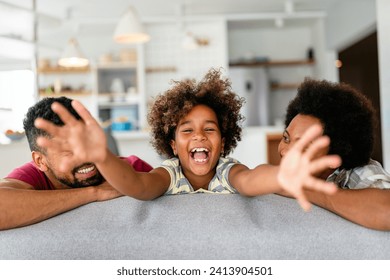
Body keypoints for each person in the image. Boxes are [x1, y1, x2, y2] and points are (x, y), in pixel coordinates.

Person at [34, 69, 341, 213]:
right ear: (172, 143)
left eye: (210, 129)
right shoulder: (169, 174)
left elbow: (250, 180)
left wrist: (280, 175)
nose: (199, 136)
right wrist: (103, 157)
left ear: (223, 140)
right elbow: (137, 186)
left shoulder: (227, 171)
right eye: (186, 130)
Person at [0, 97, 153, 230]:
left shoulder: (133, 169)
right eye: (69, 151)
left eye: (87, 143)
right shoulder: (30, 176)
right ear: (40, 161)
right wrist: (95, 193)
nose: (85, 156)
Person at [278, 78, 390, 231]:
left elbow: (386, 211)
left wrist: (306, 189)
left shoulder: (360, 171)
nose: (284, 151)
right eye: (286, 138)